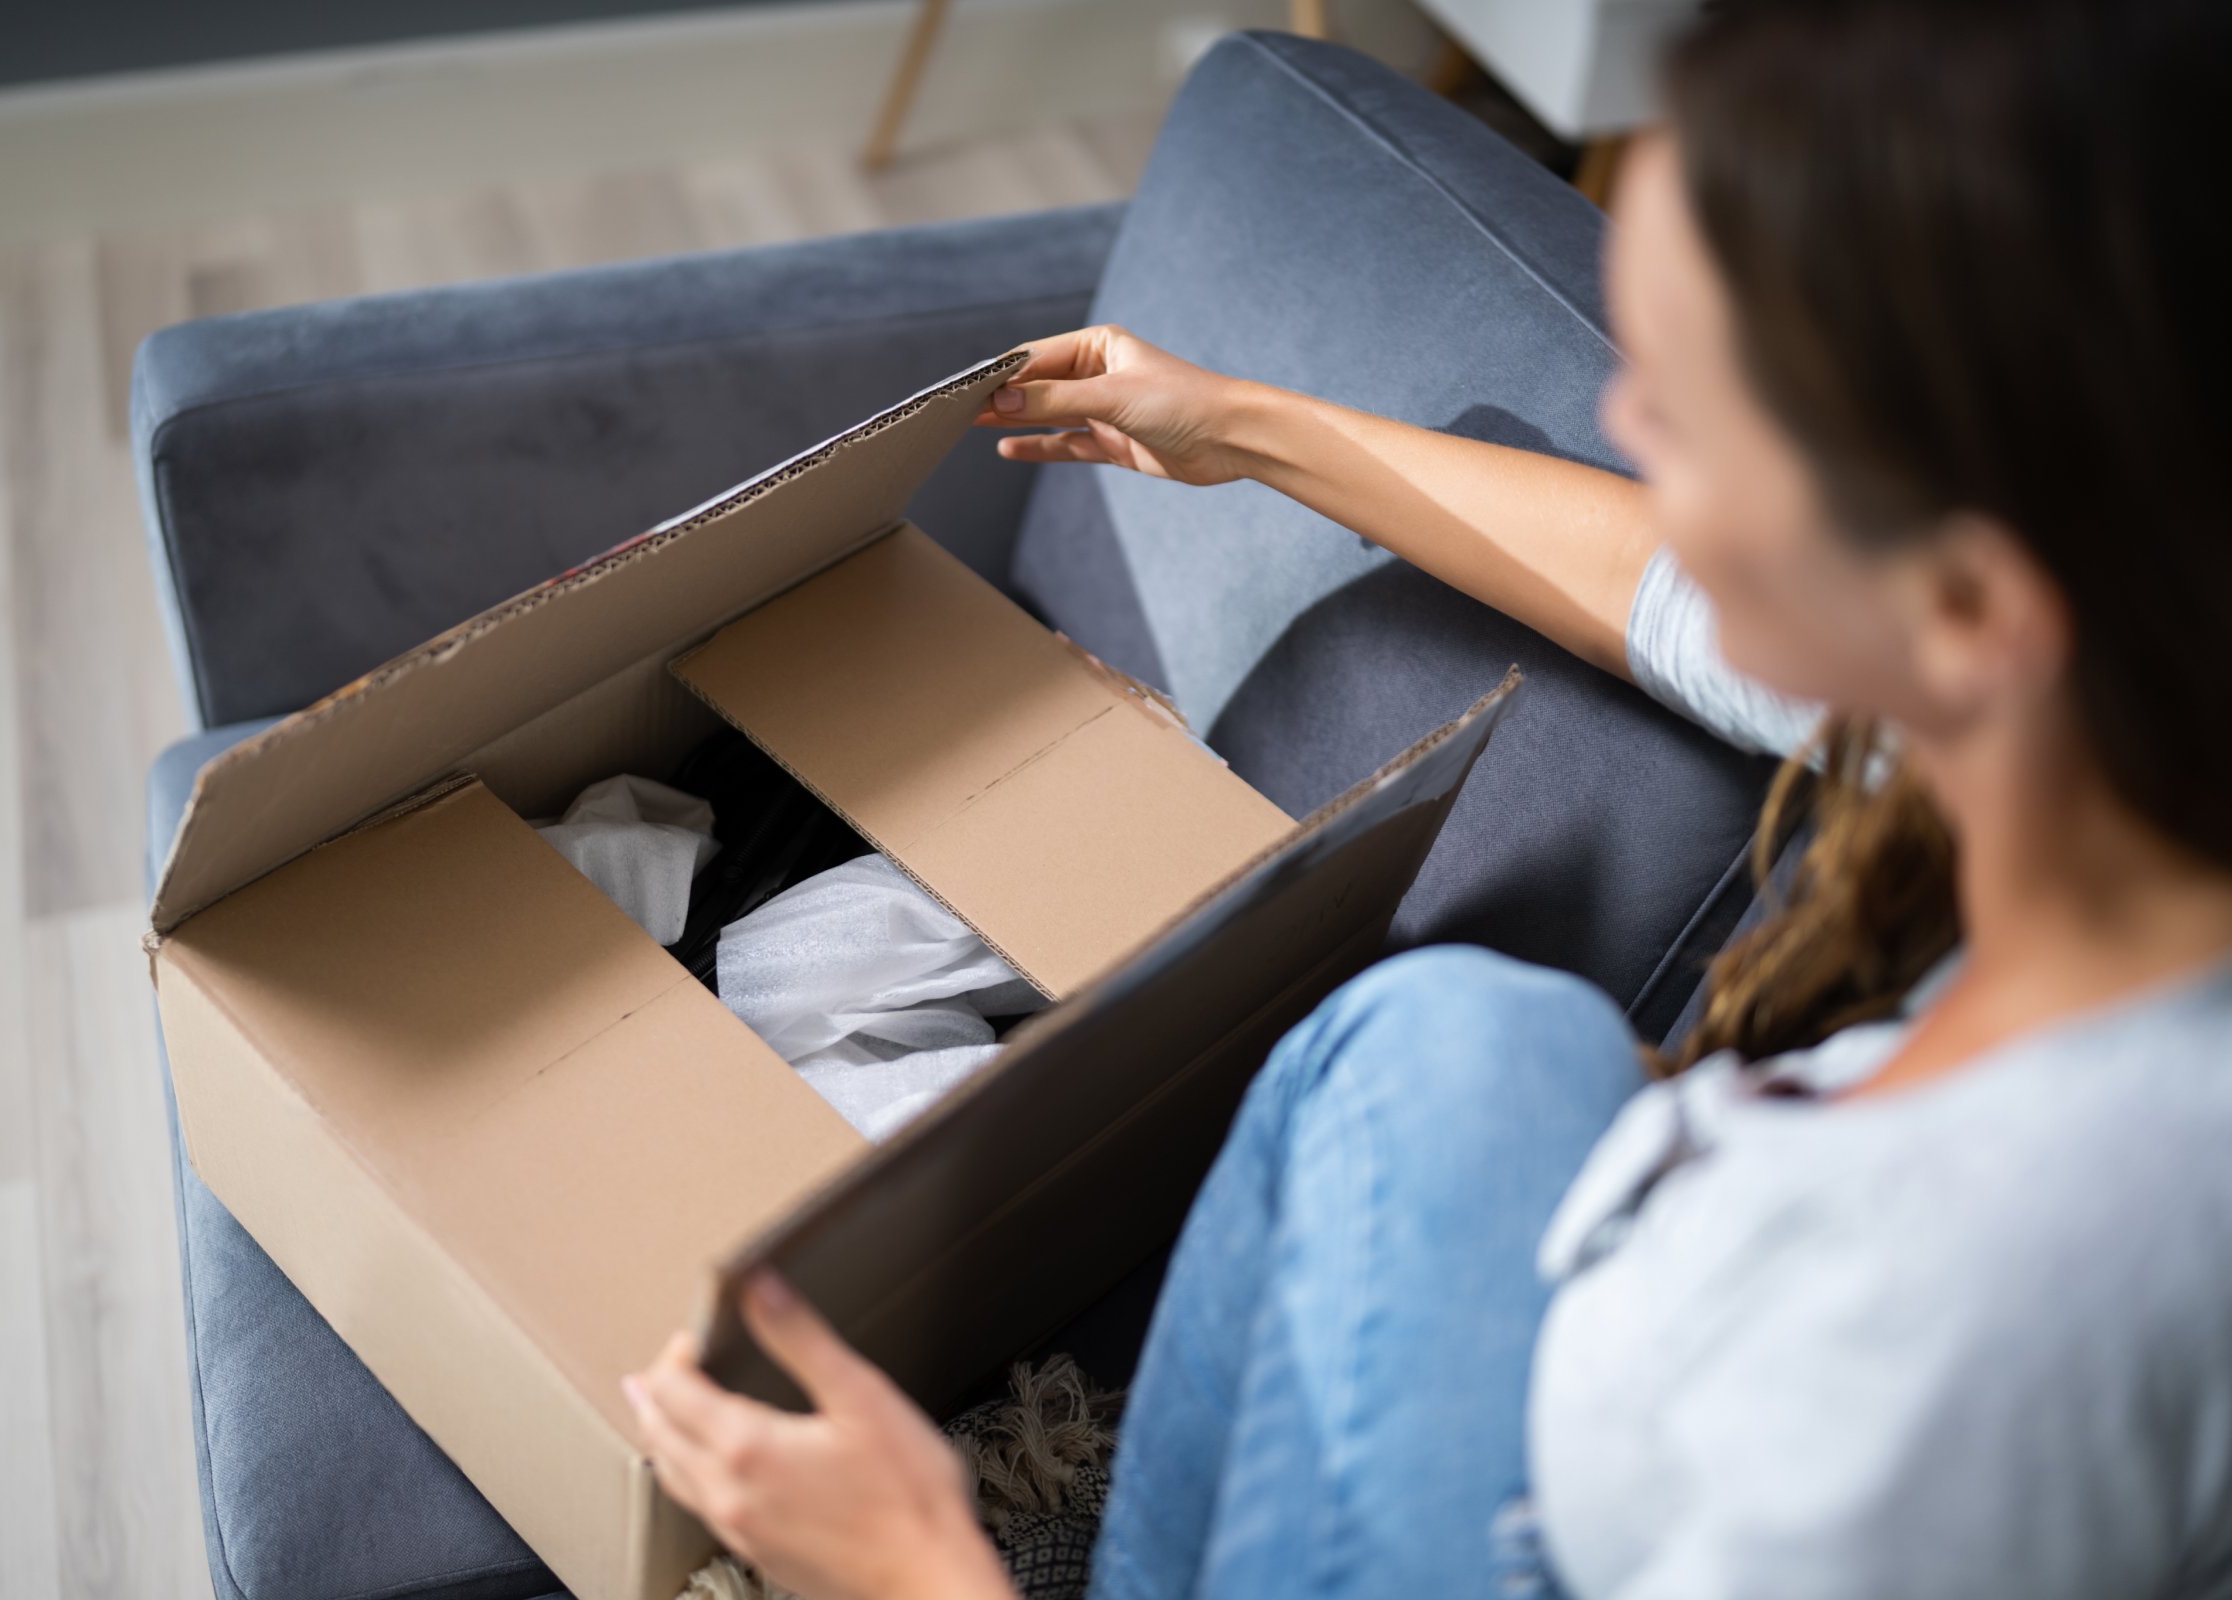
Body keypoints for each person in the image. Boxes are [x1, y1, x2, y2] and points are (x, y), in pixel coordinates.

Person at [619, 0, 2232, 1594]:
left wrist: (911, 1568)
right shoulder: (2095, 709)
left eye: (1691, 408)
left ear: (1965, 598)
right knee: (1458, 1037)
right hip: (1623, 1410)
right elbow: (1654, 587)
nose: (1624, 424)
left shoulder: (1989, 1313)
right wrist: (1240, 424)